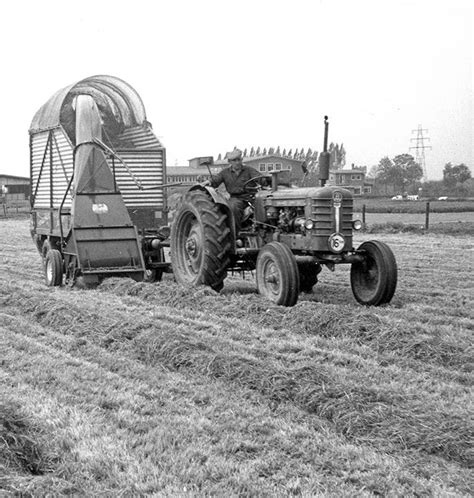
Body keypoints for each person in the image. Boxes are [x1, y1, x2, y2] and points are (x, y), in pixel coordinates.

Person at [207, 148, 265, 233]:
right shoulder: (225, 173)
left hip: (251, 197)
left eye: (239, 160)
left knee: (266, 205)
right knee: (233, 207)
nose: (237, 162)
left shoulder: (249, 170)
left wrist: (267, 180)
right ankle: (237, 233)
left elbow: (260, 178)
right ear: (230, 162)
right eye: (234, 160)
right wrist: (208, 182)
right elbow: (215, 181)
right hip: (236, 198)